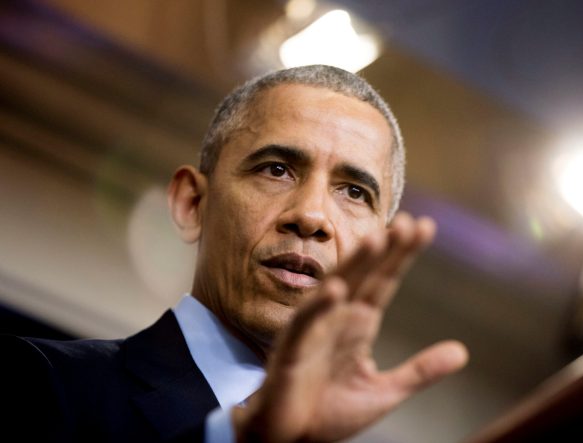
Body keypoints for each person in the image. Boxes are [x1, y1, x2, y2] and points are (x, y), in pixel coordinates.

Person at [1, 64, 469, 442]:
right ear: (192, 204)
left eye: (352, 191)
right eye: (277, 169)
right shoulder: (37, 385)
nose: (311, 216)